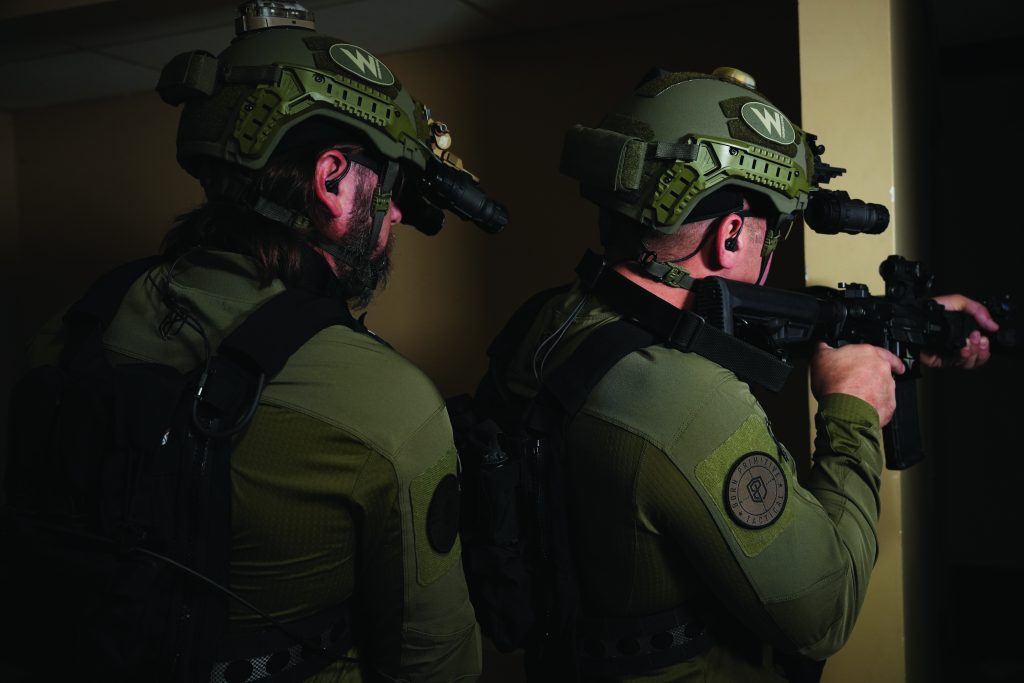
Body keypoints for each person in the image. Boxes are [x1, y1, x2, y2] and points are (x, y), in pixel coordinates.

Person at [7, 2, 503, 681]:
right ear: (331, 179)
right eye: (384, 186)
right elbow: (435, 663)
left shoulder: (75, 320)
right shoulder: (387, 403)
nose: (389, 221)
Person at [471, 67, 997, 682]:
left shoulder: (547, 321)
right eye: (768, 235)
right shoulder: (696, 406)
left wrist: (906, 322)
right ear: (728, 235)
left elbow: (701, 323)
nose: (768, 255)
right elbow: (824, 614)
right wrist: (851, 411)